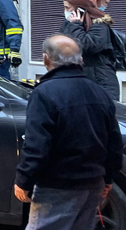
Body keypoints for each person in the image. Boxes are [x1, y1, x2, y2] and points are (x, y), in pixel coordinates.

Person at [14, 34, 122, 230]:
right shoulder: (99, 93)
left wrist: (23, 180)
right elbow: (113, 143)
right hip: (92, 184)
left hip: (57, 186)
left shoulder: (44, 93)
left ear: (46, 58)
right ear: (80, 60)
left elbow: (37, 145)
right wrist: (108, 178)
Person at [60, 0, 119, 100]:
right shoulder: (70, 23)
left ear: (80, 9)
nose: (66, 11)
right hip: (77, 77)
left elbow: (85, 46)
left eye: (68, 8)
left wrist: (76, 25)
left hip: (100, 79)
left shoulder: (99, 24)